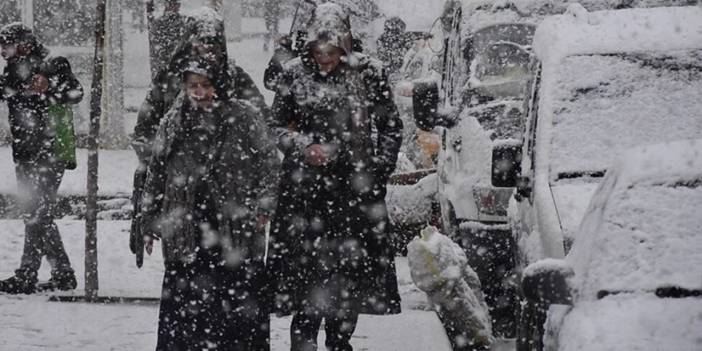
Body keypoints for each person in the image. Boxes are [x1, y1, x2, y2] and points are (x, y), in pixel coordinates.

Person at [267, 4, 403, 350]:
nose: (325, 59)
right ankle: (304, 341)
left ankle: (340, 342)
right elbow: (275, 126)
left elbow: (390, 126)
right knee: (306, 276)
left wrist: (377, 171)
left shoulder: (369, 72)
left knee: (349, 279)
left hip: (354, 193)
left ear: (345, 45)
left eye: (332, 52)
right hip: (304, 192)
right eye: (318, 52)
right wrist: (303, 145)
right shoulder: (294, 73)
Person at [139, 59, 280, 350]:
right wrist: (150, 219)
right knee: (187, 308)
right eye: (193, 86)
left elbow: (268, 162)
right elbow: (156, 171)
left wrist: (264, 205)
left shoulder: (244, 116)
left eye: (206, 85)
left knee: (237, 302)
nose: (200, 92)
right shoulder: (173, 120)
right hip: (186, 225)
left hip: (235, 224)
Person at [130, 14, 270, 263]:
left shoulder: (236, 79)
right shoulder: (170, 79)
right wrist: (166, 160)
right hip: (183, 196)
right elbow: (144, 131)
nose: (207, 51)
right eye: (200, 45)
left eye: (213, 45)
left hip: (230, 197)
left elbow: (263, 130)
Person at [0, 23, 84, 294]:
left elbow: (75, 93)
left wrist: (49, 87)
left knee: (38, 213)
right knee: (36, 213)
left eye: (7, 45)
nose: (3, 51)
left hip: (51, 152)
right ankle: (62, 274)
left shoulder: (53, 62)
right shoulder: (13, 68)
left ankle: (28, 274)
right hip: (24, 152)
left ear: (24, 43)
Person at [148, 0, 187, 79]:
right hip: (166, 63)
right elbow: (156, 46)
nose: (176, 7)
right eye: (173, 4)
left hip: (175, 64)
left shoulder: (183, 22)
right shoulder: (159, 23)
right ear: (166, 5)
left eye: (177, 4)